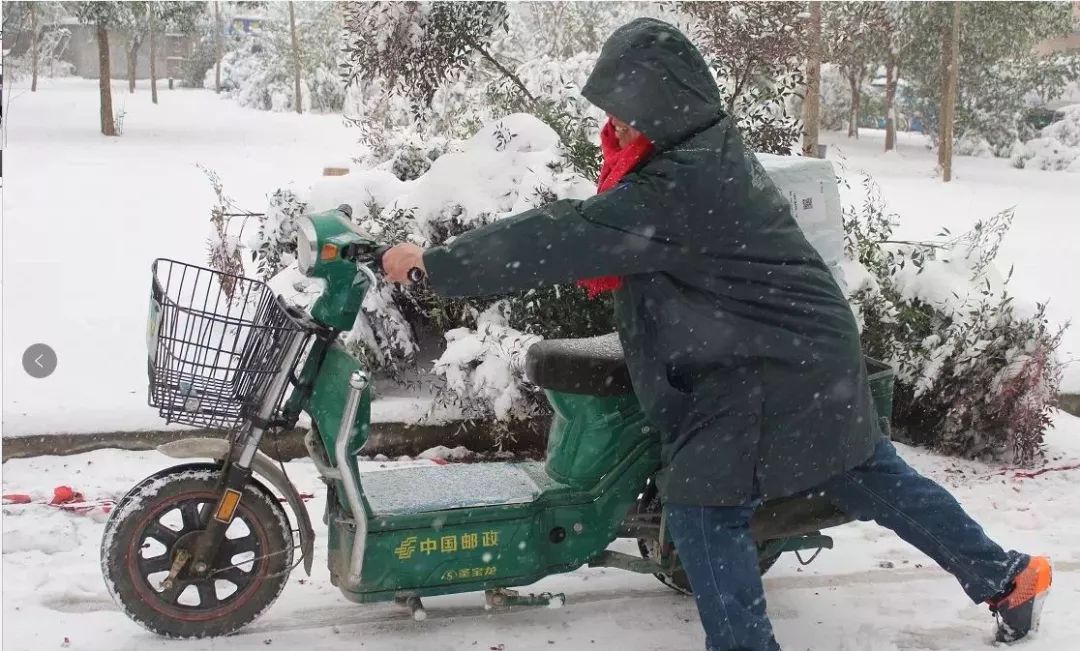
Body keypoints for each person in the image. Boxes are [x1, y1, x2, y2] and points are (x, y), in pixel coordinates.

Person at [381, 18, 1051, 651]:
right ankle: (1011, 577)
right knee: (869, 476)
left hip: (770, 367)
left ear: (661, 104)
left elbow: (563, 234)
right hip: (788, 354)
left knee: (706, 504)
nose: (610, 123)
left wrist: (437, 264)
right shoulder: (694, 155)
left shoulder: (685, 181)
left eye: (623, 108)